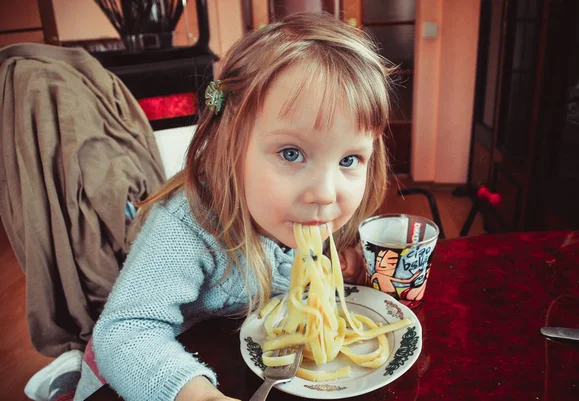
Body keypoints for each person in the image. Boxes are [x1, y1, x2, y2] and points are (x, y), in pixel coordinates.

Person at [69, 12, 393, 401]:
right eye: (291, 153)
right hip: (146, 381)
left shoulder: (302, 212)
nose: (325, 193)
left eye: (349, 160)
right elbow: (123, 332)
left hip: (244, 367)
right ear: (231, 143)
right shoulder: (188, 224)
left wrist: (346, 259)